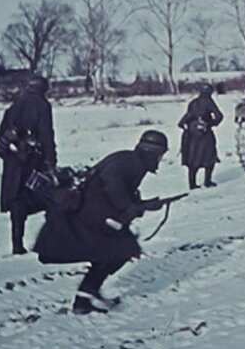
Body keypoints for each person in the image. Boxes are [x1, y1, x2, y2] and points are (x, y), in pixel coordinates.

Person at [33, 130, 169, 314]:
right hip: (91, 211)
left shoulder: (129, 158)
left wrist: (141, 205)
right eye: (160, 154)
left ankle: (86, 297)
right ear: (152, 152)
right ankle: (86, 295)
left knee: (113, 251)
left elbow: (117, 188)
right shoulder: (134, 164)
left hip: (92, 209)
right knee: (120, 250)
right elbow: (112, 185)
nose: (160, 159)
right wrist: (132, 208)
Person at [0, 74, 57, 255]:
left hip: (13, 163)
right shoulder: (42, 106)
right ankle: (51, 240)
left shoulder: (14, 107)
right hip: (33, 162)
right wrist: (51, 162)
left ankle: (17, 244)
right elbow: (47, 135)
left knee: (17, 202)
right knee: (50, 198)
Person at [178, 84, 223, 190]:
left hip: (191, 133)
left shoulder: (193, 102)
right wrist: (211, 123)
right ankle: (207, 181)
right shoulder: (209, 101)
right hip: (205, 133)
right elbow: (219, 116)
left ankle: (192, 184)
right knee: (210, 157)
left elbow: (187, 116)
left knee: (193, 158)